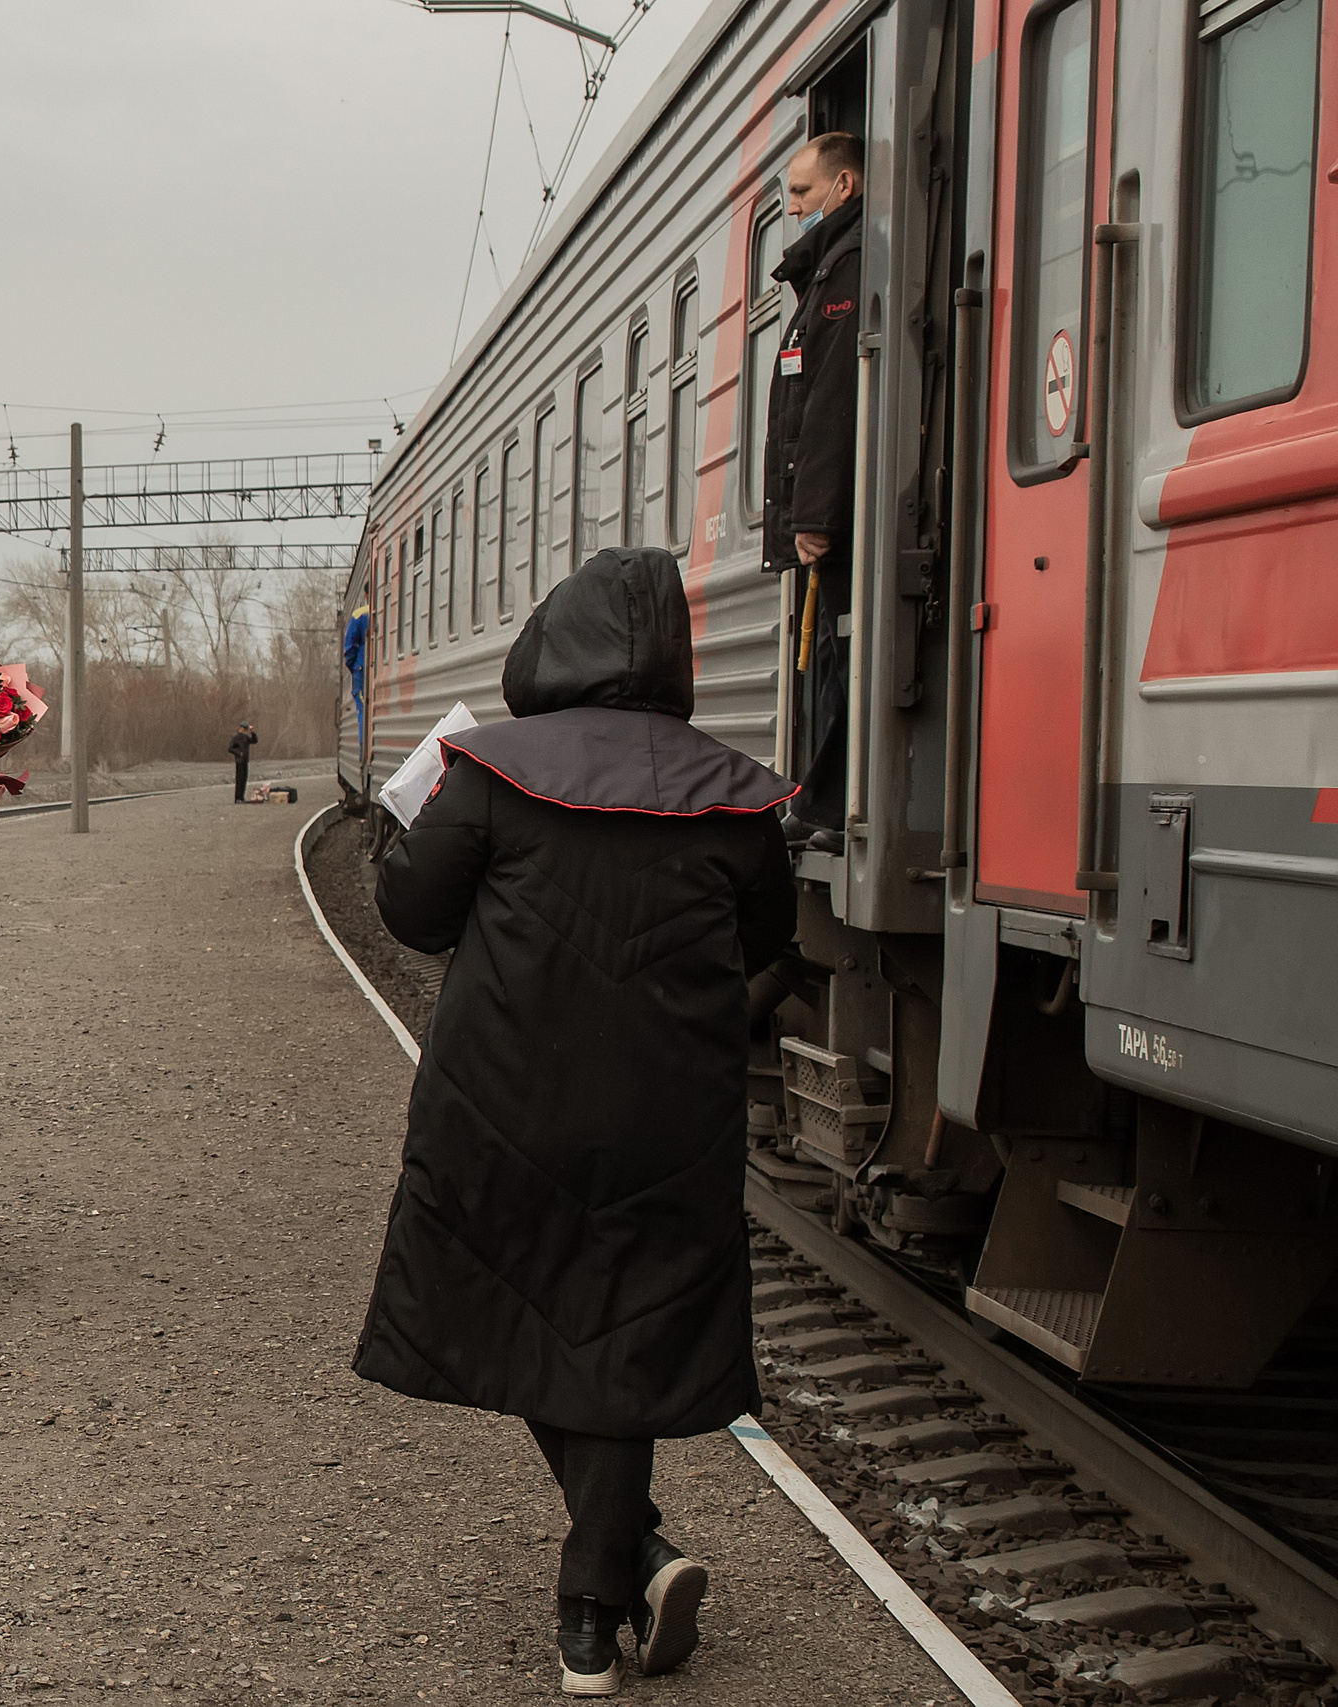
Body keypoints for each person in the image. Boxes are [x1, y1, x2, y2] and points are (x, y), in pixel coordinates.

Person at [352, 548, 797, 1695]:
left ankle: (605, 1595)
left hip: (503, 1107)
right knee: (623, 1338)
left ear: (553, 644)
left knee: (532, 1313)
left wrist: (398, 829)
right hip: (669, 1123)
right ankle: (605, 1597)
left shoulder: (490, 770)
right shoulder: (735, 790)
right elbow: (761, 943)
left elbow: (413, 915)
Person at [760, 131, 863, 852]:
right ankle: (821, 801)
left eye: (801, 193)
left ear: (843, 187)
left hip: (835, 520)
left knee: (837, 657)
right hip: (822, 513)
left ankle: (828, 804)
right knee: (828, 655)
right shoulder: (825, 271)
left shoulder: (846, 270)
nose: (793, 209)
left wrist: (816, 514)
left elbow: (833, 399)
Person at [228, 722, 258, 804]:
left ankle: (242, 797)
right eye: (244, 729)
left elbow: (254, 741)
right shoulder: (236, 737)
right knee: (239, 779)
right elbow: (230, 748)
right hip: (239, 761)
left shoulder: (246, 737)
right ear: (241, 728)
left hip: (245, 760)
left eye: (246, 729)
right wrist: (238, 753)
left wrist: (253, 732)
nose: (245, 731)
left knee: (244, 779)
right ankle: (237, 798)